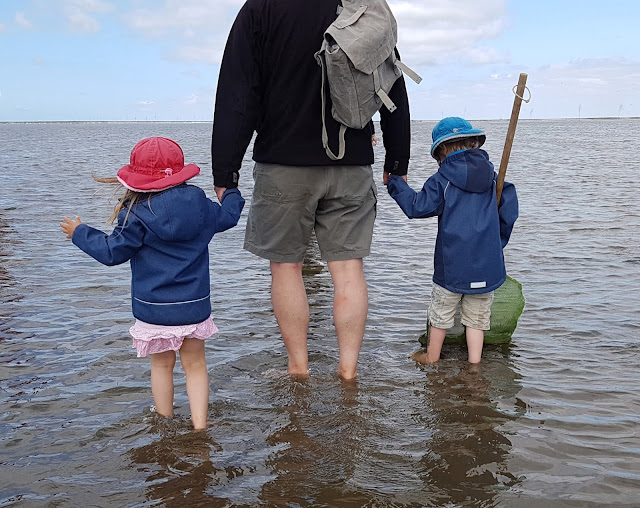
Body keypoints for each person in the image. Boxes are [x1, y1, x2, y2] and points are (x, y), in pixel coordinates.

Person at [211, 1, 411, 379]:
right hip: (352, 163)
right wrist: (396, 162)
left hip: (283, 165)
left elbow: (238, 93)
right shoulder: (362, 6)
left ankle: (298, 368)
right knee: (349, 269)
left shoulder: (262, 8)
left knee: (287, 268)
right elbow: (392, 84)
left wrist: (226, 171)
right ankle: (348, 371)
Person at [60, 137, 245, 429]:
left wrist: (80, 233)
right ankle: (200, 426)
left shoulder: (135, 213)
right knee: (195, 367)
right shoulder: (200, 205)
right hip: (194, 306)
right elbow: (230, 215)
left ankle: (164, 423)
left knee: (161, 366)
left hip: (154, 309)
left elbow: (111, 252)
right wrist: (230, 192)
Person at [387, 117, 518, 364]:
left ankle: (431, 356)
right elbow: (508, 214)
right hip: (486, 265)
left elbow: (417, 207)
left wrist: (396, 184)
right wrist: (495, 243)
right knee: (478, 319)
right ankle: (474, 364)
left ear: (443, 149)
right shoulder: (494, 178)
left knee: (441, 314)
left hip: (452, 266)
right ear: (472, 142)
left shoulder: (443, 180)